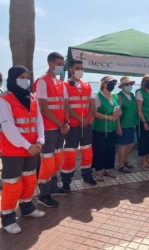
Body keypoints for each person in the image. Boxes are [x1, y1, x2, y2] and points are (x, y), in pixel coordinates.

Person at [0, 66, 45, 234]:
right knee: (11, 185)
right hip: (14, 151)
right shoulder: (3, 100)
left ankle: (27, 207)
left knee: (30, 180)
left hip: (32, 148)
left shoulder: (32, 97)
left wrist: (40, 141)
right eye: (21, 77)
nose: (26, 80)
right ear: (13, 79)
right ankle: (8, 218)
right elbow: (8, 127)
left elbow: (39, 121)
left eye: (27, 77)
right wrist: (27, 145)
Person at [34, 52, 70, 208]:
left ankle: (53, 187)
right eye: (59, 64)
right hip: (49, 128)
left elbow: (65, 105)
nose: (61, 67)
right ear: (50, 63)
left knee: (56, 159)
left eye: (63, 64)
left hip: (60, 128)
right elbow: (44, 108)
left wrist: (67, 122)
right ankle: (44, 194)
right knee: (47, 161)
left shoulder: (60, 83)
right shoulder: (42, 82)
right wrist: (60, 124)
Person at [60, 59, 97, 191]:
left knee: (88, 152)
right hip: (73, 126)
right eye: (77, 68)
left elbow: (92, 103)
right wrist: (80, 119)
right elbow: (66, 106)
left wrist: (87, 119)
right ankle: (66, 181)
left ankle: (87, 175)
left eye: (82, 68)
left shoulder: (87, 85)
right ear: (71, 69)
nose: (80, 70)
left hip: (86, 125)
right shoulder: (64, 85)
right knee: (70, 154)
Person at [92, 76, 121, 181]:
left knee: (110, 149)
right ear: (104, 83)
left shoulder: (115, 96)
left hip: (112, 128)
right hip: (100, 128)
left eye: (114, 83)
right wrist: (109, 117)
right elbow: (95, 113)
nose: (113, 85)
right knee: (99, 150)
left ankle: (107, 170)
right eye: (111, 82)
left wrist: (117, 117)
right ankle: (98, 172)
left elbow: (119, 110)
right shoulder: (97, 96)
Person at [117, 76, 137, 173]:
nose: (129, 86)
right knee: (123, 145)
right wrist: (118, 127)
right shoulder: (119, 96)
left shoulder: (132, 95)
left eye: (130, 84)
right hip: (123, 124)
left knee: (131, 144)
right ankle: (121, 165)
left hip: (131, 124)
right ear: (122, 86)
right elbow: (117, 112)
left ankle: (125, 161)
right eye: (127, 84)